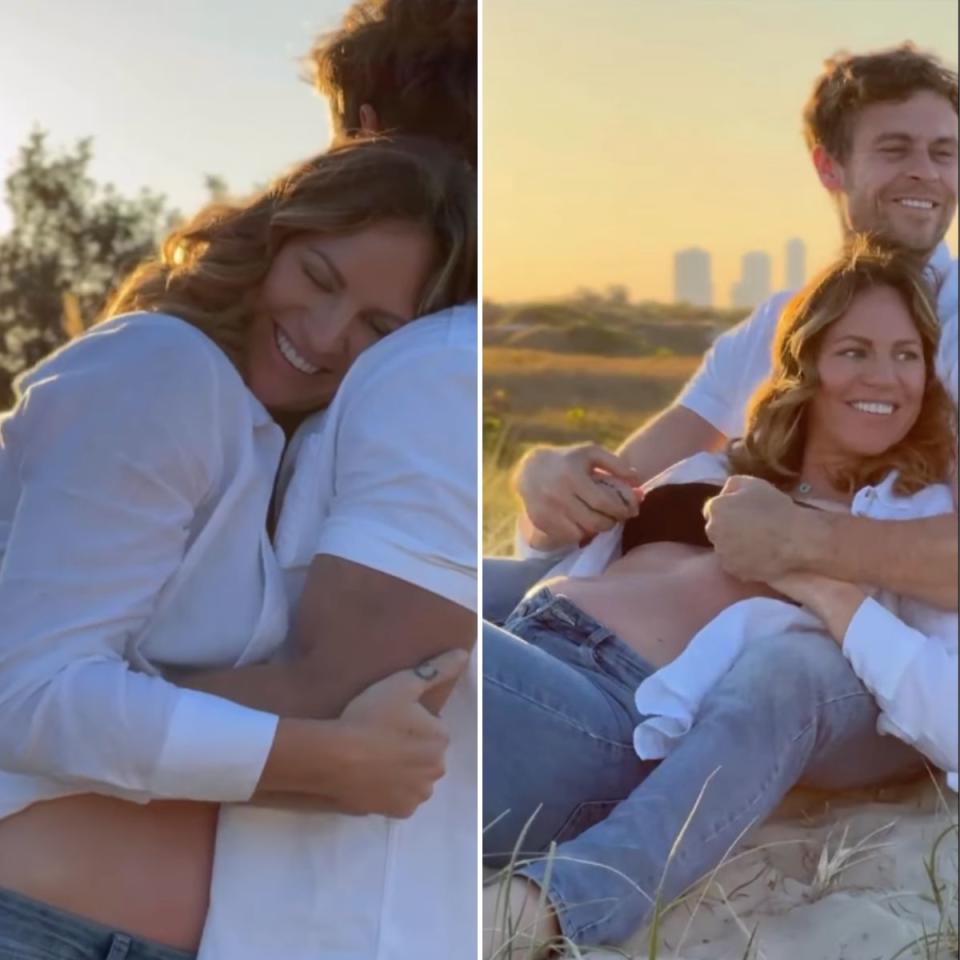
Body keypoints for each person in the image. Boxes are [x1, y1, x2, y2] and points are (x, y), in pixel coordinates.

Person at [0, 135, 475, 960]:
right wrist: (321, 760)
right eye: (318, 278)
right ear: (270, 240)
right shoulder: (159, 369)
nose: (326, 336)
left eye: (377, 326)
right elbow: (27, 696)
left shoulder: (270, 442)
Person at [483, 240, 958, 955]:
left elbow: (942, 706)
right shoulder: (718, 465)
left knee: (404, 621)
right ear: (806, 367)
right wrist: (543, 479)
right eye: (855, 351)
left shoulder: (903, 527)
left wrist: (808, 567)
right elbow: (545, 549)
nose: (885, 377)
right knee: (360, 589)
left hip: (608, 715)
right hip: (533, 632)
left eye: (906, 355)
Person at [157, 3, 480, 958]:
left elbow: (344, 691)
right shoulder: (410, 364)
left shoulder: (431, 368)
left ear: (368, 130)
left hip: (341, 925)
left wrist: (51, 690)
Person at [508, 44, 957, 613]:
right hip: (617, 605)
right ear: (828, 166)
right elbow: (617, 489)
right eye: (895, 149)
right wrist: (547, 486)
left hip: (818, 666)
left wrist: (797, 539)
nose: (927, 172)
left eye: (945, 152)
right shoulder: (778, 322)